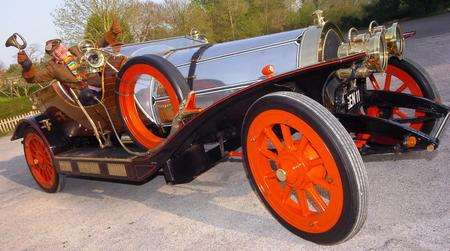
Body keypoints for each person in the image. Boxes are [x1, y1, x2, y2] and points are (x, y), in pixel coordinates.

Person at [17, 19, 123, 106]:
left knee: (121, 75)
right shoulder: (52, 68)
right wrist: (27, 65)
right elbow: (34, 78)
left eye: (59, 48)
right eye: (54, 53)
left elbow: (97, 45)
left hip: (104, 81)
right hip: (86, 92)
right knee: (86, 95)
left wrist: (112, 33)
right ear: (53, 56)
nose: (58, 52)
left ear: (63, 45)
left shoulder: (77, 49)